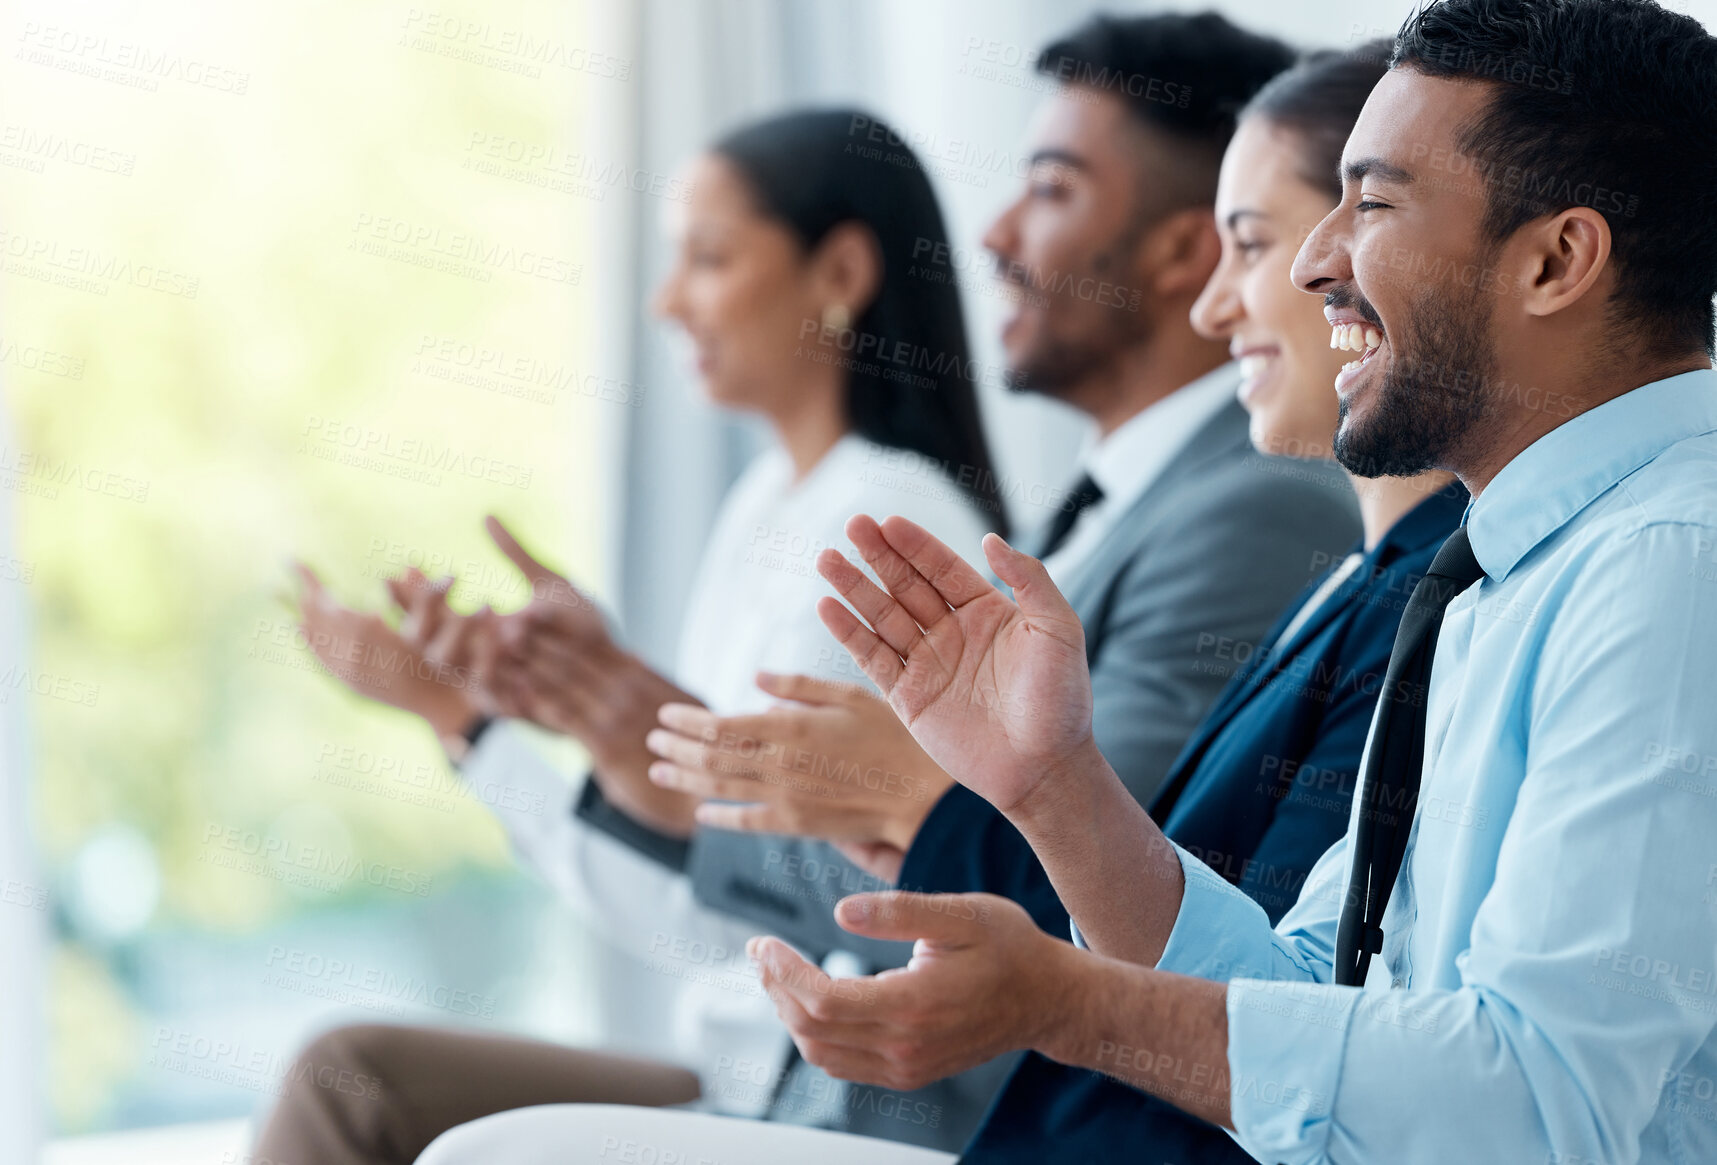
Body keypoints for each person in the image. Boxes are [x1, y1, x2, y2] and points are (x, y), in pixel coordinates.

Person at [738, 2, 1717, 1163]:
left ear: (1555, 260)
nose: (1316, 260)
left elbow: (1536, 1104)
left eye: (1376, 202)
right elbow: (1313, 988)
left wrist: (1064, 1000)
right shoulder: (1509, 569)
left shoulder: (1669, 568)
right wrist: (1055, 786)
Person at [638, 41, 1466, 1165]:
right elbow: (1257, 960)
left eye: (1253, 243)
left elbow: (1268, 984)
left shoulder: (1301, 536)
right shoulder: (1341, 573)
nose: (1231, 300)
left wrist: (949, 806)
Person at [261, 109, 1008, 1163]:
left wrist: (561, 733)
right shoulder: (772, 504)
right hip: (740, 1066)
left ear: (839, 268)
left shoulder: (881, 524)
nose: (667, 301)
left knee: (351, 1078)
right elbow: (700, 893)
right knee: (348, 1074)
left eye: (708, 258)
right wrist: (503, 722)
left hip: (802, 1091)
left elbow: (760, 905)